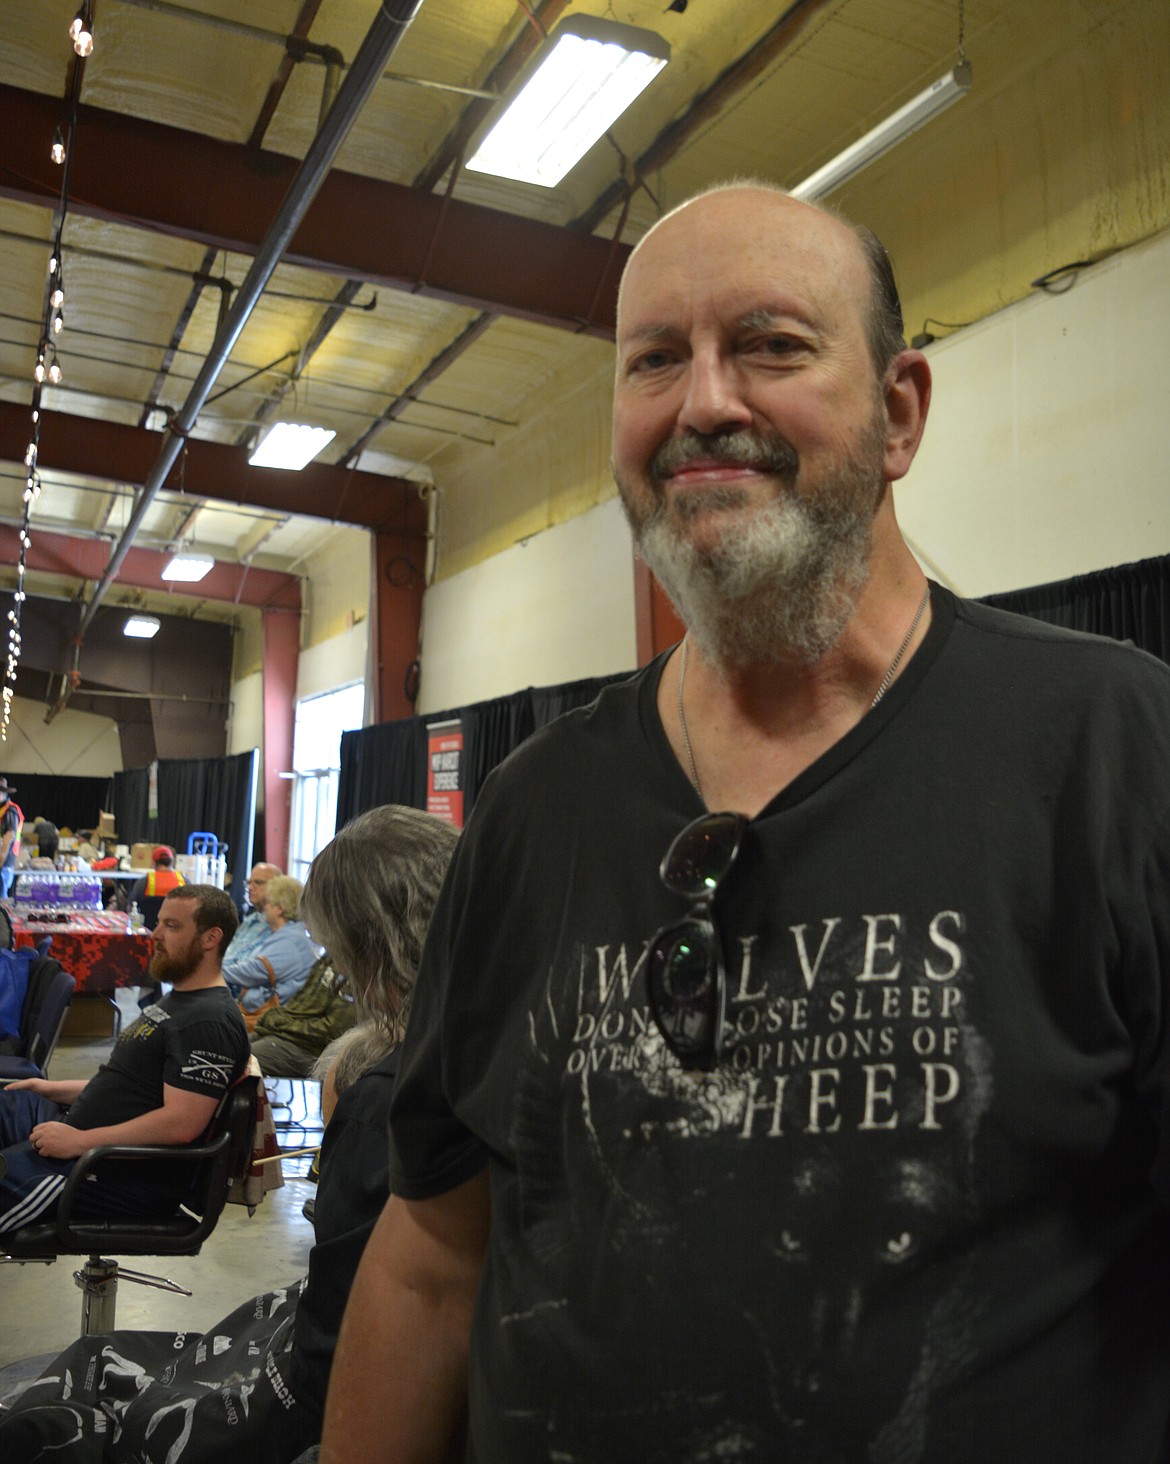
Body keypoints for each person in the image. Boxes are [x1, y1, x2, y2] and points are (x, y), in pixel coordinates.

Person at [320, 183, 1170, 1464]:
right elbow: (435, 1258)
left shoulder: (1113, 747)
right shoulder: (534, 809)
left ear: (898, 414)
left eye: (770, 344)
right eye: (655, 359)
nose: (703, 401)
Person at [0, 806, 459, 1464]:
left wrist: (77, 1141)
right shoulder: (488, 1068)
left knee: (77, 1396)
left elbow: (331, 1372)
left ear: (369, 951)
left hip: (122, 1180)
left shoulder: (389, 1104)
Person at [0, 884, 247, 1233]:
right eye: (158, 923)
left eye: (172, 926)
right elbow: (134, 1087)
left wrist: (79, 1142)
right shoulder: (180, 1000)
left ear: (211, 938)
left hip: (111, 1171)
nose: (156, 934)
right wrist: (51, 1089)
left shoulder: (209, 1020)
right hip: (83, 1136)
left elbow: (182, 1123)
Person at [223, 873, 317, 1023]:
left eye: (268, 903)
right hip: (260, 1015)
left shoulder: (290, 941)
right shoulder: (287, 935)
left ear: (279, 908)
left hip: (269, 1020)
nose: (264, 907)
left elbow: (252, 971)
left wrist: (213, 970)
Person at [250, 951, 356, 1078]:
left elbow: (332, 1030)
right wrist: (278, 1021)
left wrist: (282, 1024)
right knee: (226, 1046)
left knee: (236, 1060)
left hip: (308, 1048)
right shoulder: (331, 956)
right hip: (287, 1034)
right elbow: (300, 1006)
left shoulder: (356, 969)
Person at [231, 861, 283, 962]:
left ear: (277, 886)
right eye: (249, 883)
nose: (250, 888)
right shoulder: (250, 920)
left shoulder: (278, 924)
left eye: (258, 882)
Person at [0, 778, 22, 899]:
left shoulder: (10, 811)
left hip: (4, 862)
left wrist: (1, 860)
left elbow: (9, 836)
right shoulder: (2, 810)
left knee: (1, 899)